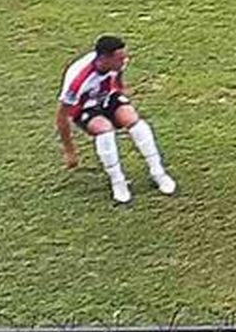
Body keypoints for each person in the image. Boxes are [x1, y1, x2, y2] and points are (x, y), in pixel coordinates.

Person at [56, 36, 176, 205]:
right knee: (104, 129)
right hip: (85, 107)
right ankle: (117, 181)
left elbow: (118, 82)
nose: (125, 61)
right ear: (105, 58)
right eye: (120, 58)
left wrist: (120, 97)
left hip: (106, 96)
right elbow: (61, 116)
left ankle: (158, 171)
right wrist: (70, 150)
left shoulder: (117, 64)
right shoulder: (78, 80)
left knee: (133, 119)